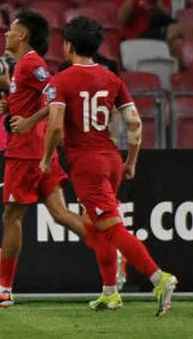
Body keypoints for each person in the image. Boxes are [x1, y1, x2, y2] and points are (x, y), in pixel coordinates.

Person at [41, 17, 178, 314]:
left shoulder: (61, 81)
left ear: (69, 45)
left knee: (112, 229)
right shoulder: (112, 79)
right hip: (111, 158)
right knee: (94, 226)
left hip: (87, 163)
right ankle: (110, 292)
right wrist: (130, 161)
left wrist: (44, 158)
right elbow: (134, 123)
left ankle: (159, 277)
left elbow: (54, 127)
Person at [0, 11, 87, 307]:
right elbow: (39, 98)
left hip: (26, 151)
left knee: (11, 217)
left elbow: (54, 95)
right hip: (39, 148)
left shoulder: (31, 63)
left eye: (11, 29)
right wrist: (10, 103)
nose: (5, 34)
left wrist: (26, 121)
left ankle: (4, 289)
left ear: (23, 35)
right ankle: (112, 252)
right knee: (60, 214)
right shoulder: (22, 67)